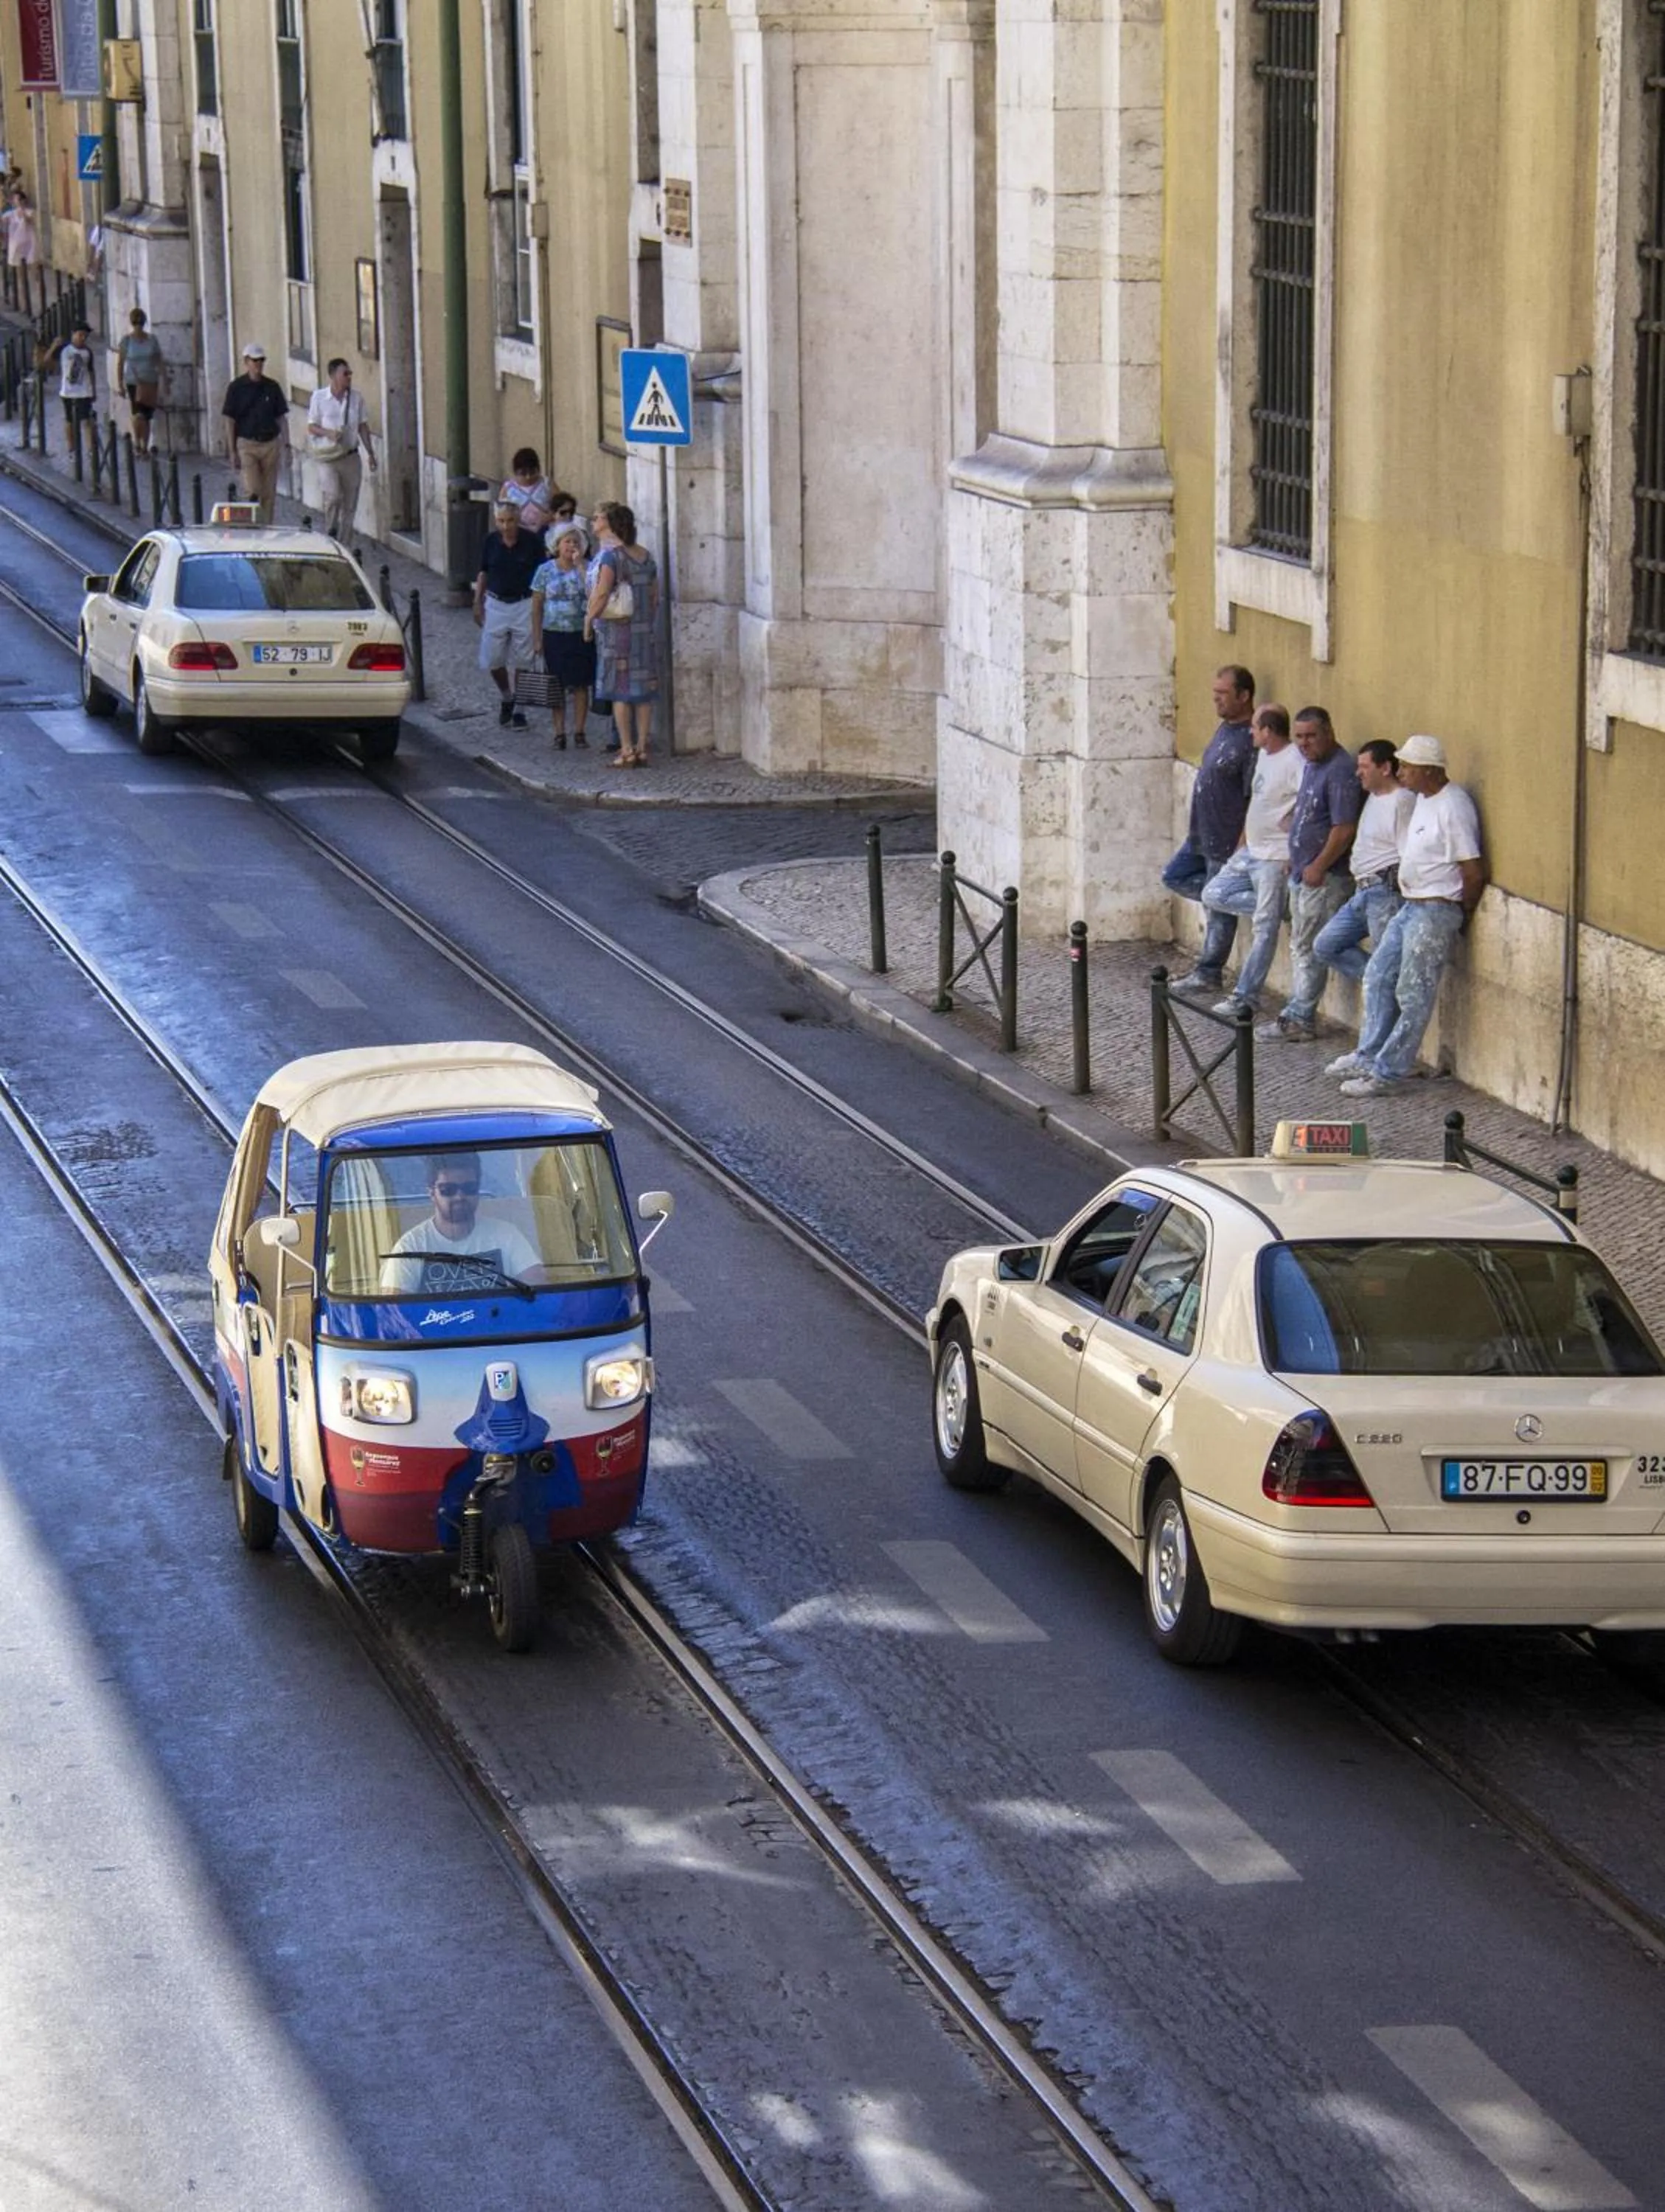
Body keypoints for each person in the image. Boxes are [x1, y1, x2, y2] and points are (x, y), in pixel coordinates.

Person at [1336, 734, 1487, 1096]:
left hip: (1436, 907)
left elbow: (1473, 872)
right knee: (1378, 972)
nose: (1400, 771)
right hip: (1413, 904)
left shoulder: (1454, 806)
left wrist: (1459, 913)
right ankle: (1370, 1053)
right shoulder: (1423, 799)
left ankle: (1388, 1073)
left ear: (1428, 771)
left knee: (1413, 992)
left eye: (1407, 766)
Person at [1259, 705, 1362, 1043]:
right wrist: (1296, 856)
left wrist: (1317, 864)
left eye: (1311, 736)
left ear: (1328, 732)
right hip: (1304, 872)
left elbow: (1343, 828)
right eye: (1299, 737)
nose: (1304, 744)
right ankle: (1298, 1012)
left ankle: (1301, 1017)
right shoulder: (1313, 766)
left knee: (1309, 945)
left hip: (1326, 876)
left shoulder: (1341, 770)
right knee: (1302, 943)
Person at [1198, 704, 1302, 1018]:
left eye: (1255, 728)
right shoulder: (1264, 757)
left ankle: (1246, 996)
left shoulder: (1295, 761)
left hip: (1275, 857)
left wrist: (1294, 849)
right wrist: (1243, 843)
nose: (1251, 733)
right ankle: (1279, 909)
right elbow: (1257, 803)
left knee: (1264, 930)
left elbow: (1308, 804)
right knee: (1213, 894)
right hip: (1250, 852)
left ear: (1268, 731)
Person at [1164, 666, 1257, 996]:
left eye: (1222, 694)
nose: (1215, 700)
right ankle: (1227, 903)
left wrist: (1241, 844)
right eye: (1214, 693)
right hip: (1200, 834)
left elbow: (1252, 797)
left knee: (1217, 908)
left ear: (1244, 696)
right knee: (1173, 875)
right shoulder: (1225, 729)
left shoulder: (1251, 740)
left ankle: (1209, 971)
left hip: (1226, 839)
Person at [1312, 740, 1417, 1002]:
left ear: (1385, 768)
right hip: (1363, 890)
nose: (1358, 772)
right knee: (1326, 945)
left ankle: (1384, 1006)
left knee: (1385, 965)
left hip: (1384, 891)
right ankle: (1381, 983)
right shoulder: (1372, 795)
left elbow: (1408, 853)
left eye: (1364, 767)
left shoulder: (1402, 801)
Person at [380, 1155, 542, 1294]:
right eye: (448, 1190)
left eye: (469, 1188)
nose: (460, 1197)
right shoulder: (409, 1247)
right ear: (432, 1193)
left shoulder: (507, 1236)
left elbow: (539, 1292)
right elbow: (394, 1314)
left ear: (478, 1189)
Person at [586, 501, 659, 768]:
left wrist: (588, 620)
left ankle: (626, 748)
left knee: (620, 692)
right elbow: (654, 597)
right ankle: (642, 747)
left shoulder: (612, 557)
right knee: (642, 693)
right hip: (644, 633)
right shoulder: (646, 556)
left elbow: (603, 593)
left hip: (618, 632)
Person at [473, 499, 545, 727]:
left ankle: (520, 710)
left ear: (518, 519)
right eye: (501, 521)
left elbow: (541, 577)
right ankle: (507, 696)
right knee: (493, 659)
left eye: (510, 521)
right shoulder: (490, 541)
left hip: (524, 604)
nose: (506, 526)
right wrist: (477, 601)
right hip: (495, 603)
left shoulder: (532, 541)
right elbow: (483, 572)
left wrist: (539, 608)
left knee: (524, 659)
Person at [529, 523, 596, 749]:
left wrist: (580, 567)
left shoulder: (587, 568)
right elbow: (537, 604)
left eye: (576, 542)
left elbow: (594, 593)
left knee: (580, 684)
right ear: (557, 546)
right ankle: (559, 732)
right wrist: (537, 638)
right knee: (555, 684)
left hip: (580, 633)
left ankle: (579, 731)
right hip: (554, 634)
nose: (572, 546)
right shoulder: (545, 571)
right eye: (567, 541)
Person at [306, 357, 377, 543]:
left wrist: (370, 453)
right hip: (328, 457)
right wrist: (328, 433)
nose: (349, 377)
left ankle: (345, 545)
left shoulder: (356, 398)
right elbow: (311, 426)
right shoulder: (319, 397)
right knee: (333, 496)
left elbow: (363, 426)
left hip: (350, 456)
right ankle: (331, 533)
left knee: (350, 505)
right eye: (345, 373)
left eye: (350, 373)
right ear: (333, 376)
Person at [220, 344, 290, 522]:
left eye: (261, 360)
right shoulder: (236, 388)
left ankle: (266, 527)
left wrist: (286, 444)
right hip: (247, 443)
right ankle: (251, 525)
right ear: (246, 362)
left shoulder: (272, 387)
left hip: (270, 444)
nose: (258, 364)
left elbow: (281, 417)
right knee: (253, 489)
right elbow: (229, 419)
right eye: (255, 360)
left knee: (269, 493)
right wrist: (232, 451)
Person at [117, 306, 165, 458]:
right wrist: (120, 384)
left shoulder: (152, 340)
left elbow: (159, 360)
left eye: (140, 323)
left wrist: (165, 381)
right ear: (132, 324)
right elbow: (121, 362)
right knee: (138, 415)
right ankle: (137, 443)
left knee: (147, 416)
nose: (138, 326)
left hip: (151, 381)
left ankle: (145, 445)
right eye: (136, 323)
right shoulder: (126, 341)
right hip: (134, 382)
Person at [50, 320, 95, 439]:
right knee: (70, 421)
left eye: (85, 336)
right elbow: (46, 361)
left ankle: (91, 452)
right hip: (68, 391)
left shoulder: (88, 351)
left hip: (84, 391)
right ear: (73, 334)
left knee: (87, 421)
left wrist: (93, 391)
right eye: (80, 335)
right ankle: (72, 450)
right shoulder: (64, 349)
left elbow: (91, 371)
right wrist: (54, 346)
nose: (83, 338)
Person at [498, 448, 557, 535]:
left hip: (546, 530)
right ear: (515, 472)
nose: (528, 477)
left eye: (532, 472)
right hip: (519, 532)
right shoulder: (508, 488)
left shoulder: (546, 484)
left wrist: (551, 516)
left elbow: (562, 506)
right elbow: (500, 513)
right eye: (523, 474)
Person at [7, 187, 38, 319]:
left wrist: (23, 212)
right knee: (20, 279)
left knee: (34, 276)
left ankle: (36, 305)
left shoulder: (30, 212)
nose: (16, 201)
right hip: (17, 249)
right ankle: (24, 305)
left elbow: (31, 221)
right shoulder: (11, 214)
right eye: (15, 199)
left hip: (30, 248)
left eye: (19, 199)